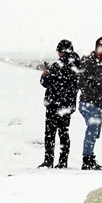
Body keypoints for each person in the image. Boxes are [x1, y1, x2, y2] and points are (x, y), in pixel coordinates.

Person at [38, 39, 81, 168]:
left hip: (54, 104)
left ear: (61, 51)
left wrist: (44, 74)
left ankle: (48, 160)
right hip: (67, 105)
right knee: (64, 133)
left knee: (50, 133)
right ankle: (63, 161)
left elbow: (46, 82)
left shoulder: (58, 65)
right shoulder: (78, 65)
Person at [77, 36, 102, 171]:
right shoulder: (89, 61)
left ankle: (89, 158)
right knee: (92, 129)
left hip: (95, 103)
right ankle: (87, 159)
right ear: (98, 47)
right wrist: (95, 97)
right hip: (89, 102)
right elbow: (82, 82)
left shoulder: (97, 62)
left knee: (95, 131)